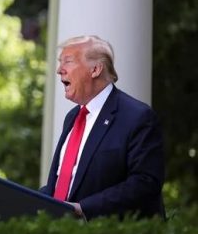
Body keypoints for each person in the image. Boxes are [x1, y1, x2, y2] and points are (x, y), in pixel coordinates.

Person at [40, 35, 165, 220]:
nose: (59, 70)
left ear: (96, 69)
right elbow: (62, 183)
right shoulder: (72, 117)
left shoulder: (137, 116)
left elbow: (145, 183)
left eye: (67, 61)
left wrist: (83, 208)